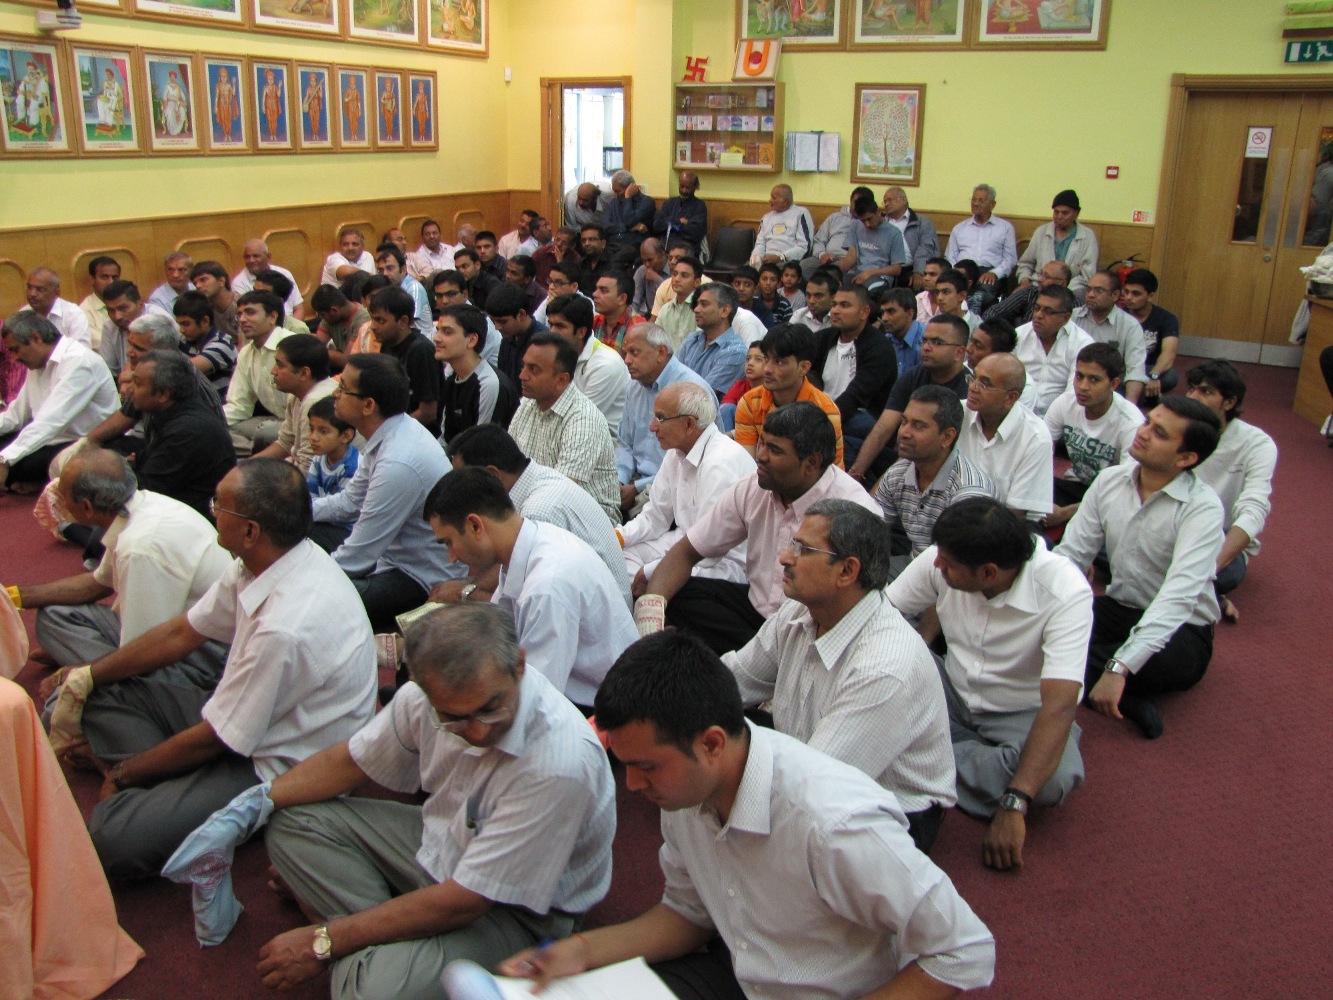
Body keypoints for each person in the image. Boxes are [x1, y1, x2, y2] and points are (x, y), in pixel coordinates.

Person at [498, 630, 997, 998]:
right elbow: (688, 915)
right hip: (742, 971)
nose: (632, 785)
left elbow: (963, 948)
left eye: (645, 766)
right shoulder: (684, 791)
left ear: (712, 743)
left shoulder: (833, 823)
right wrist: (579, 954)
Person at [258, 603, 615, 998]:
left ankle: (372, 946)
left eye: (490, 709)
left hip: (518, 911)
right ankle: (389, 944)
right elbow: (350, 761)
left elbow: (467, 901)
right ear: (424, 690)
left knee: (371, 991)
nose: (478, 731)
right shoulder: (421, 698)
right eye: (455, 718)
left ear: (519, 665)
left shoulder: (559, 763)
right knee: (291, 822)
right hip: (443, 841)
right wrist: (253, 805)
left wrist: (326, 940)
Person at [51, 460, 377, 881]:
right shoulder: (263, 560)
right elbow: (181, 633)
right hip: (240, 724)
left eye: (219, 506)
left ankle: (158, 785)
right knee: (105, 688)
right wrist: (88, 676)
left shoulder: (285, 625)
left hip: (277, 763)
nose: (211, 512)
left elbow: (217, 739)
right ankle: (166, 785)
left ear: (250, 531)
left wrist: (125, 772)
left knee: (110, 839)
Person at [723, 499, 955, 850]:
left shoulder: (886, 666)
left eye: (802, 549)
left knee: (764, 843)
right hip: (816, 759)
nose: (785, 558)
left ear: (847, 571)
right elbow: (734, 680)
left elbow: (812, 788)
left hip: (891, 810)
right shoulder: (799, 612)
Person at [887, 498, 1091, 871]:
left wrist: (1015, 801)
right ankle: (953, 753)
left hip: (1019, 709)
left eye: (947, 565)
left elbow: (1060, 705)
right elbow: (883, 614)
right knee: (884, 657)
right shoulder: (948, 555)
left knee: (1054, 781)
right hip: (949, 686)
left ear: (988, 574)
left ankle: (923, 751)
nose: (936, 565)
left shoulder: (1065, 592)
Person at [636, 402, 878, 655]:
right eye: (762, 443)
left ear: (811, 463)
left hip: (809, 631)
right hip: (754, 612)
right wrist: (650, 617)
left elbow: (859, 611)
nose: (760, 455)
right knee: (674, 594)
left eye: (774, 449)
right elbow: (687, 552)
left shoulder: (856, 512)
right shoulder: (754, 486)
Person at [1053, 397, 1225, 739]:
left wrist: (1120, 666)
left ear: (1186, 458)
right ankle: (1119, 692)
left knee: (1162, 665)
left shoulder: (1203, 509)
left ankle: (1108, 680)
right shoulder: (1110, 481)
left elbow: (1177, 599)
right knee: (1043, 628)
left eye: (1159, 433)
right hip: (1121, 607)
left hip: (1184, 628)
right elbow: (1071, 555)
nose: (1142, 433)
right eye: (1147, 422)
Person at [423, 468, 637, 706]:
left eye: (449, 542)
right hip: (582, 692)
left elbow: (536, 702)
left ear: (475, 526)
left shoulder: (547, 585)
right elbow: (499, 630)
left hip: (604, 711)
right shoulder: (531, 541)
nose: (451, 557)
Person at [17, 448, 230, 675]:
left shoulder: (140, 547)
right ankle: (90, 662)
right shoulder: (142, 505)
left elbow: (143, 649)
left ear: (87, 508)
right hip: (183, 634)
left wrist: (80, 677)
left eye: (63, 494)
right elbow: (98, 583)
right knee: (54, 616)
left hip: (209, 654)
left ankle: (97, 672)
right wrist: (14, 596)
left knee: (70, 698)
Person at [311, 354, 459, 631]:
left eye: (343, 388)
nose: (335, 394)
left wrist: (298, 578)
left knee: (317, 603)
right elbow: (348, 503)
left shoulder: (398, 461)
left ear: (368, 405)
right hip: (390, 558)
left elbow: (357, 556)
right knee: (301, 531)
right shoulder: (389, 433)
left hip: (419, 576)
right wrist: (294, 511)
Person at [442, 424, 632, 610]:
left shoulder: (538, 512)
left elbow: (523, 602)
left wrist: (466, 592)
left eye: (464, 481)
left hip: (600, 614)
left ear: (492, 474)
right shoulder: (537, 479)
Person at [620, 381, 753, 589]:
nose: (652, 427)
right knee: (620, 554)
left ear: (689, 424)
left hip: (724, 564)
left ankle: (649, 610)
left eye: (661, 418)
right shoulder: (676, 451)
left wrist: (651, 571)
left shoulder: (720, 463)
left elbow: (709, 550)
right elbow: (655, 517)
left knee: (658, 579)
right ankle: (647, 607)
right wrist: (619, 536)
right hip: (682, 546)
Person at [1186, 360, 1277, 623]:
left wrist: (1210, 568)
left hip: (1219, 533)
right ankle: (1203, 593)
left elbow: (1254, 509)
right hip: (1172, 524)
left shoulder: (1257, 444)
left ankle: (1192, 584)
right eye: (1191, 389)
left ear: (1229, 402)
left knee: (1228, 574)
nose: (1193, 397)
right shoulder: (1177, 428)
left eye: (1205, 392)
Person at [875, 386, 997, 566]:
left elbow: (958, 569)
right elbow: (870, 530)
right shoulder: (898, 473)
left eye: (918, 426)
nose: (904, 433)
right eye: (904, 422)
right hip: (915, 567)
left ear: (947, 437)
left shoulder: (969, 494)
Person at [509, 332, 621, 524]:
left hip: (587, 518)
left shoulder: (583, 419)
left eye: (533, 369)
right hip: (535, 505)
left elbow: (559, 494)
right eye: (523, 366)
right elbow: (509, 462)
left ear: (561, 380)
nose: (522, 375)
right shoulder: (528, 403)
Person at [0, 312, 118, 491]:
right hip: (49, 439)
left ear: (36, 338)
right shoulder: (37, 364)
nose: (15, 358)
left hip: (85, 443)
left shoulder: (79, 361)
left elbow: (49, 423)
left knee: (20, 464)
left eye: (15, 349)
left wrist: (6, 459)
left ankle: (43, 482)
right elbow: (16, 416)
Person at [848, 314, 971, 481]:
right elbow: (883, 429)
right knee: (845, 447)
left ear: (959, 353)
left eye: (937, 342)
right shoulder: (914, 375)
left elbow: (933, 451)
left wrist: (883, 486)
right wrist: (855, 474)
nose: (926, 348)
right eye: (924, 341)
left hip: (934, 466)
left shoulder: (968, 392)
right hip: (901, 450)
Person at [616, 323, 715, 518]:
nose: (626, 360)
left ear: (661, 352)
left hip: (674, 484)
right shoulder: (634, 387)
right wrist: (619, 482)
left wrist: (636, 488)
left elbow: (697, 460)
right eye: (625, 353)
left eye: (634, 352)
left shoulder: (692, 389)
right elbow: (624, 444)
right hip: (632, 481)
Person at [1041, 344, 1142, 529]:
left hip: (1112, 497)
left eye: (1094, 380)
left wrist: (1065, 513)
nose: (1082, 386)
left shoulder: (1131, 424)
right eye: (1079, 376)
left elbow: (1125, 490)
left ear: (1114, 384)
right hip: (1076, 485)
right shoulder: (1065, 403)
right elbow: (1039, 453)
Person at [127, 350, 237, 516]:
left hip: (195, 518)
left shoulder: (188, 431)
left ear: (163, 394)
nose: (130, 389)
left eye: (137, 384)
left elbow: (145, 492)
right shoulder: (172, 412)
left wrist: (123, 469)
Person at [958, 353, 1054, 524]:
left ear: (1010, 398)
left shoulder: (1035, 438)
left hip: (1006, 527)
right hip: (955, 516)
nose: (973, 387)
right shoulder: (958, 412)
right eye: (973, 378)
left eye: (984, 384)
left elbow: (1016, 515)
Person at [734, 323, 845, 468]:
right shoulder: (750, 402)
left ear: (804, 367)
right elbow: (746, 466)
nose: (767, 369)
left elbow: (831, 474)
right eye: (766, 359)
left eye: (779, 362)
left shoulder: (826, 412)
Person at [819, 285, 897, 465]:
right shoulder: (823, 338)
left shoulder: (880, 348)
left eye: (844, 305)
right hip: (822, 409)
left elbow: (855, 397)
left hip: (859, 415)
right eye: (834, 305)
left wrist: (817, 423)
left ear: (864, 312)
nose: (835, 311)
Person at [547, 292, 629, 439]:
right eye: (550, 325)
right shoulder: (556, 352)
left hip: (605, 441)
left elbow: (580, 420)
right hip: (566, 430)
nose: (552, 332)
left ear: (581, 332)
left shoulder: (606, 365)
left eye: (560, 326)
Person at [252, 334, 338, 473]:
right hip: (296, 466)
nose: (273, 371)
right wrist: (247, 466)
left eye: (280, 365)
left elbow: (308, 467)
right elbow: (285, 443)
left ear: (304, 373)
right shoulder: (297, 395)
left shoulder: (316, 401)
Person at [222, 290, 294, 455]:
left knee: (265, 432)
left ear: (272, 317)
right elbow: (239, 406)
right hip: (274, 422)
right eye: (239, 314)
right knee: (219, 430)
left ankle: (261, 454)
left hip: (301, 424)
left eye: (250, 312)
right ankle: (261, 452)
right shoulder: (246, 353)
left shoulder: (292, 345)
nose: (242, 320)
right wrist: (209, 421)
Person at [434, 303, 517, 444]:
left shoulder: (489, 385)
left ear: (472, 340)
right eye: (438, 330)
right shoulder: (451, 380)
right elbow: (445, 439)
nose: (436, 338)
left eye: (447, 332)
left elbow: (482, 448)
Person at [367, 285, 441, 432]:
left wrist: (387, 430)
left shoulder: (420, 351)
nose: (373, 327)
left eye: (380, 320)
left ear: (403, 321)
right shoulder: (387, 344)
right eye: (373, 320)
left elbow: (428, 412)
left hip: (418, 434)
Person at [1013, 284, 1095, 415]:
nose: (1039, 315)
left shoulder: (1082, 344)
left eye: (1048, 311)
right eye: (1037, 308)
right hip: (1019, 413)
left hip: (1060, 416)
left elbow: (1072, 395)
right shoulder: (1019, 335)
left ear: (1066, 317)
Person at [1073, 270, 1148, 403]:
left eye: (1098, 291)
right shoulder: (1072, 317)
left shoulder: (1130, 325)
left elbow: (1135, 371)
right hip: (1075, 380)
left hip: (1110, 387)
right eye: (1088, 289)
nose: (1091, 295)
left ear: (1115, 295)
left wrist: (1130, 410)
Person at [1014, 190, 1099, 300]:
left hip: (1072, 290)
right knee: (1014, 301)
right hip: (1038, 285)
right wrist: (1024, 281)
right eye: (1056, 212)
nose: (1059, 216)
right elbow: (1025, 264)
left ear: (1077, 213)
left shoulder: (1087, 236)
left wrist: (1062, 287)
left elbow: (1088, 274)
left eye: (1065, 213)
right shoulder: (1041, 232)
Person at [944, 185, 1017, 313]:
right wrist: (956, 272)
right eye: (973, 200)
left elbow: (1010, 258)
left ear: (992, 204)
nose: (975, 203)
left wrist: (995, 273)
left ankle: (974, 321)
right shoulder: (960, 228)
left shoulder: (1005, 228)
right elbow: (950, 256)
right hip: (961, 271)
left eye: (981, 200)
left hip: (989, 273)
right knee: (950, 290)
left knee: (984, 294)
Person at [676, 283, 748, 396]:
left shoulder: (735, 352)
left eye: (704, 304)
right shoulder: (691, 340)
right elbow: (672, 378)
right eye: (697, 304)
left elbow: (702, 396)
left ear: (724, 311)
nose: (696, 309)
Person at [1121, 268, 1180, 397]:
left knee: (1170, 377)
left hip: (1149, 368)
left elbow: (1168, 353)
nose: (1129, 298)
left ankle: (1132, 393)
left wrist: (1154, 376)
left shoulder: (1167, 318)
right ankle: (1147, 395)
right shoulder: (1119, 315)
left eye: (1136, 294)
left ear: (1150, 296)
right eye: (1126, 292)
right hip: (1124, 368)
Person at [838, 192, 909, 294]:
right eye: (863, 221)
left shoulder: (894, 233)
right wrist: (837, 270)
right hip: (856, 273)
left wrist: (870, 273)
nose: (867, 224)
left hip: (879, 276)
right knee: (836, 289)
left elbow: (896, 269)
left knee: (864, 294)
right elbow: (851, 256)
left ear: (878, 212)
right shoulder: (855, 225)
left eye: (869, 219)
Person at [172, 290, 236, 395]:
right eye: (179, 324)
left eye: (186, 324)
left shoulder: (222, 344)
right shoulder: (184, 341)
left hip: (221, 406)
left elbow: (183, 370)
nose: (181, 330)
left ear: (205, 321)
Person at [486, 280, 547, 389]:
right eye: (494, 321)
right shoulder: (507, 338)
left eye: (502, 321)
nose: (497, 327)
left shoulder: (544, 343)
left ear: (521, 314)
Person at [881, 186, 941, 288]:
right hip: (884, 267)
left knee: (917, 283)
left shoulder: (923, 223)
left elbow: (925, 250)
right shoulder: (881, 223)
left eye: (890, 200)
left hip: (911, 268)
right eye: (885, 201)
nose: (886, 204)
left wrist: (919, 271)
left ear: (903, 200)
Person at [984, 259, 1072, 327]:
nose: (1039, 279)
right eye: (1040, 274)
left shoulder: (1072, 305)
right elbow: (991, 313)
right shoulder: (1030, 293)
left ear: (1062, 283)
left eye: (1046, 276)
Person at [20, 267, 92, 346]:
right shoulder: (22, 314)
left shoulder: (73, 314)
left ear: (57, 292)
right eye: (29, 287)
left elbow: (82, 351)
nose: (32, 294)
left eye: (40, 289)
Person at [231, 239, 303, 317]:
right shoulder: (238, 283)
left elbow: (299, 309)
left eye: (256, 256)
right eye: (247, 257)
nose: (251, 260)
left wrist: (291, 328)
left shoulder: (284, 274)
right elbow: (247, 316)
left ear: (268, 256)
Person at [308, 283, 369, 372]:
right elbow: (317, 343)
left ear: (334, 310)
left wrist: (318, 352)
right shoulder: (330, 318)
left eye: (322, 315)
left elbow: (346, 361)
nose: (321, 319)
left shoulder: (363, 321)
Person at [750, 183, 815, 265]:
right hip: (766, 260)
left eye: (773, 198)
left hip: (788, 261)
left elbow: (804, 246)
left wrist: (780, 257)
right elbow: (760, 243)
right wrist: (757, 257)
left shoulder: (801, 213)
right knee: (746, 273)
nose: (769, 200)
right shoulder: (766, 218)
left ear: (785, 201)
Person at [602, 170, 656, 267]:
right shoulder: (614, 202)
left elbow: (629, 221)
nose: (616, 194)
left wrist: (627, 198)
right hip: (613, 243)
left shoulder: (647, 202)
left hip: (632, 245)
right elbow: (605, 225)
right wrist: (626, 228)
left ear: (630, 187)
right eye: (614, 191)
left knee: (614, 261)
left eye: (618, 191)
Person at [653, 170, 708, 254]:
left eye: (688, 187)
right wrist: (679, 222)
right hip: (665, 246)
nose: (684, 190)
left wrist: (670, 225)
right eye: (681, 186)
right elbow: (657, 225)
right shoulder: (669, 203)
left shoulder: (699, 206)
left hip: (686, 248)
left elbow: (695, 233)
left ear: (695, 187)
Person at [591, 272, 644, 352]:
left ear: (622, 298)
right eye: (596, 289)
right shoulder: (594, 321)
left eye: (603, 291)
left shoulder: (639, 328)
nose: (594, 294)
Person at [878, 285, 925, 375]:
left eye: (891, 311)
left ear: (910, 314)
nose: (884, 318)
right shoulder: (885, 342)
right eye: (883, 312)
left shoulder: (927, 340)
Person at [189, 260, 239, 339]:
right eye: (195, 283)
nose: (198, 286)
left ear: (221, 281)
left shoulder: (242, 305)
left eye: (203, 280)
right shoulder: (205, 309)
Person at [80, 255, 121, 337]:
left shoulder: (128, 303)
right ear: (92, 280)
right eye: (105, 277)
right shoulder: (84, 312)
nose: (111, 282)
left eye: (115, 277)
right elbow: (102, 344)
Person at [789, 268, 836, 332]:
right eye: (808, 295)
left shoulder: (841, 319)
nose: (811, 301)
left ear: (833, 298)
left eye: (818, 296)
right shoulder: (799, 315)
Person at [631, 237, 669, 317]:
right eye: (644, 261)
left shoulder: (674, 269)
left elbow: (674, 297)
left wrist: (657, 280)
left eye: (650, 260)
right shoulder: (642, 270)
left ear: (662, 255)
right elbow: (634, 301)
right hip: (649, 316)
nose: (647, 264)